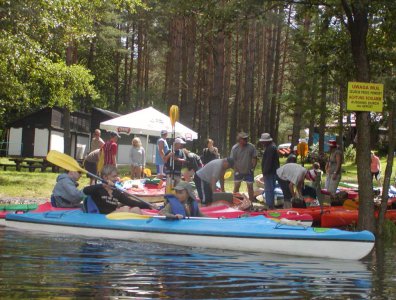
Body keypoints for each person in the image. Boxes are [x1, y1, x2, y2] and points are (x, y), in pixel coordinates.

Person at [83, 165, 151, 214]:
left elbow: (131, 202)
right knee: (125, 209)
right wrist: (102, 185)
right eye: (114, 176)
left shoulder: (116, 191)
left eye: (117, 176)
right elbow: (85, 190)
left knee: (136, 209)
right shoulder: (98, 189)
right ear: (105, 177)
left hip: (113, 217)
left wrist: (149, 206)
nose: (116, 179)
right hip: (103, 218)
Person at [230, 132, 257, 201]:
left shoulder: (251, 147)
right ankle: (235, 202)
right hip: (238, 171)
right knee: (236, 187)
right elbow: (233, 160)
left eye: (246, 138)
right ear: (239, 140)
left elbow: (254, 158)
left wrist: (252, 168)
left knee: (250, 187)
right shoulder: (235, 148)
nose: (246, 140)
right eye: (244, 139)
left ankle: (251, 203)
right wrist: (236, 170)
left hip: (249, 171)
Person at [260, 133, 280, 209]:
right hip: (271, 172)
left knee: (269, 189)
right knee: (270, 189)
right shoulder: (271, 146)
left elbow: (268, 162)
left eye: (263, 141)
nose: (262, 143)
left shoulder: (271, 148)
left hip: (269, 172)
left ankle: (270, 205)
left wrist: (264, 172)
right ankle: (270, 204)